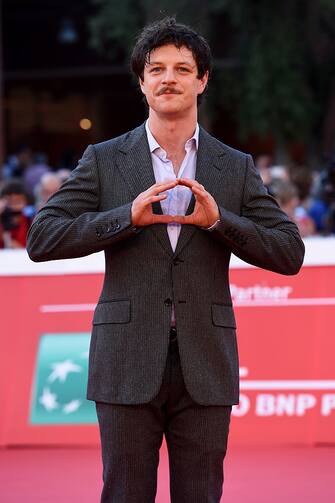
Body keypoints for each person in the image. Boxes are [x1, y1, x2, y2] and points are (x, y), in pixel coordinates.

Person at [27, 17, 305, 503]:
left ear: (202, 80)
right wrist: (125, 218)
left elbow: (288, 252)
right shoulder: (104, 159)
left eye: (182, 68)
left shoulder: (233, 166)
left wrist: (219, 222)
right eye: (156, 68)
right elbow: (41, 237)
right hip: (125, 358)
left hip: (206, 363)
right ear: (142, 81)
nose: (168, 78)